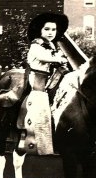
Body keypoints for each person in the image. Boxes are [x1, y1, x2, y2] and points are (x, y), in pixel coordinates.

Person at [19, 12, 69, 155]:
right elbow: (46, 57)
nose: (50, 33)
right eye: (47, 29)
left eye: (53, 30)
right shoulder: (36, 45)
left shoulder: (51, 45)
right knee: (40, 107)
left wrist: (59, 58)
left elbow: (57, 57)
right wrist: (59, 58)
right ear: (40, 30)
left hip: (47, 80)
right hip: (36, 79)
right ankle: (39, 144)